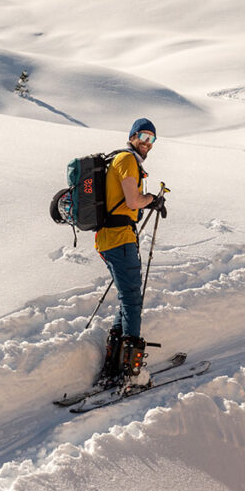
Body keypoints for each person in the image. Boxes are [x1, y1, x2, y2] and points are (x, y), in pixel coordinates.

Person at [96, 118, 167, 384]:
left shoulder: (123, 160)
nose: (148, 143)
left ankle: (113, 365)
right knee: (132, 300)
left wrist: (146, 203)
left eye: (152, 139)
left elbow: (126, 201)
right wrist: (152, 200)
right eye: (144, 137)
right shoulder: (126, 160)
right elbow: (133, 200)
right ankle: (131, 372)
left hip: (111, 238)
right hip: (118, 238)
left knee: (128, 295)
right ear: (133, 136)